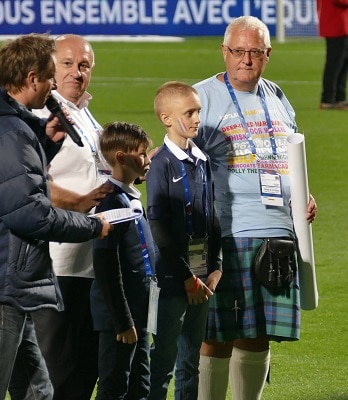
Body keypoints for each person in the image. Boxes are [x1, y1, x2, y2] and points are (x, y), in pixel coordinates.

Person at [0, 34, 112, 400]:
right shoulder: (6, 134)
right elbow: (31, 215)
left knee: (37, 392)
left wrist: (45, 142)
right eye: (50, 77)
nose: (53, 87)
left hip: (2, 275)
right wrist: (93, 226)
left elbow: (9, 181)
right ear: (33, 79)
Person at [192, 16, 318, 400]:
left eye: (255, 52)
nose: (246, 59)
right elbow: (179, 159)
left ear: (268, 55)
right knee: (217, 334)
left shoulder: (277, 96)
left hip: (279, 231)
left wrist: (303, 194)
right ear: (224, 52)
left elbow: (288, 152)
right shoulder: (200, 97)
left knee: (259, 334)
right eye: (239, 51)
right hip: (227, 231)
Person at [32, 34, 113, 400]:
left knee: (85, 369)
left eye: (84, 66)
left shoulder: (82, 112)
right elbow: (31, 185)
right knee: (55, 371)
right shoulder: (40, 114)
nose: (76, 72)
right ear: (51, 66)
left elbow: (91, 170)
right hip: (57, 262)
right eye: (67, 64)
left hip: (90, 259)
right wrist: (81, 202)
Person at [146, 81, 222, 400]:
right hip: (171, 279)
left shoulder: (202, 160)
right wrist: (186, 277)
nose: (195, 119)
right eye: (188, 113)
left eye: (198, 112)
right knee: (161, 363)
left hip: (201, 276)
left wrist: (216, 265)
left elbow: (211, 215)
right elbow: (159, 226)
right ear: (166, 118)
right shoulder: (159, 165)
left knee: (191, 363)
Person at [90, 121, 157, 400]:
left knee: (140, 386)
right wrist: (122, 321)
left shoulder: (130, 197)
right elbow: (106, 265)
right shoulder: (110, 203)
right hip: (121, 318)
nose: (148, 160)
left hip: (139, 313)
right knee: (115, 385)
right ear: (121, 157)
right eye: (142, 154)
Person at [317, 0, 348, 110]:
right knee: (335, 63)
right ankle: (328, 99)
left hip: (342, 23)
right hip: (335, 23)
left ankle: (340, 97)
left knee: (346, 61)